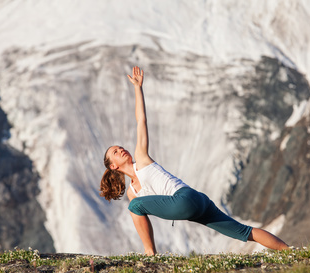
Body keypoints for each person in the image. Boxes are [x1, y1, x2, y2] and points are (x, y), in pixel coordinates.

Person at [100, 66, 289, 255]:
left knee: (135, 206)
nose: (121, 150)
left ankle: (150, 254)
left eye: (120, 147)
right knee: (243, 232)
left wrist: (137, 88)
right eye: (116, 152)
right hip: (199, 203)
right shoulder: (133, 193)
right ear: (113, 166)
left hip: (186, 199)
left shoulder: (141, 158)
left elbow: (141, 121)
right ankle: (292, 252)